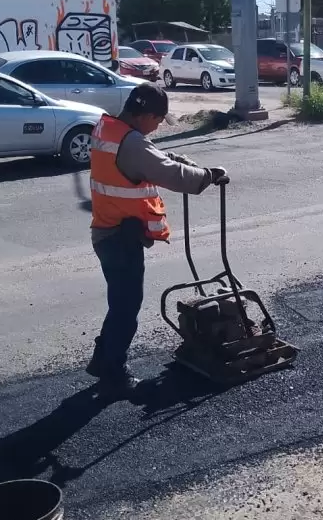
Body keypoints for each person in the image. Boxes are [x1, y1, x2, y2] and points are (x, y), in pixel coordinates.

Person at [87, 82, 228, 397]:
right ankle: (113, 373)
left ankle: (102, 359)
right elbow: (168, 173)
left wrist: (185, 161)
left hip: (107, 230)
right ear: (146, 115)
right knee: (126, 306)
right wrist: (208, 176)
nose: (157, 127)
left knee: (120, 303)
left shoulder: (109, 128)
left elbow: (150, 157)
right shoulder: (132, 143)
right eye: (158, 120)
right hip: (119, 238)